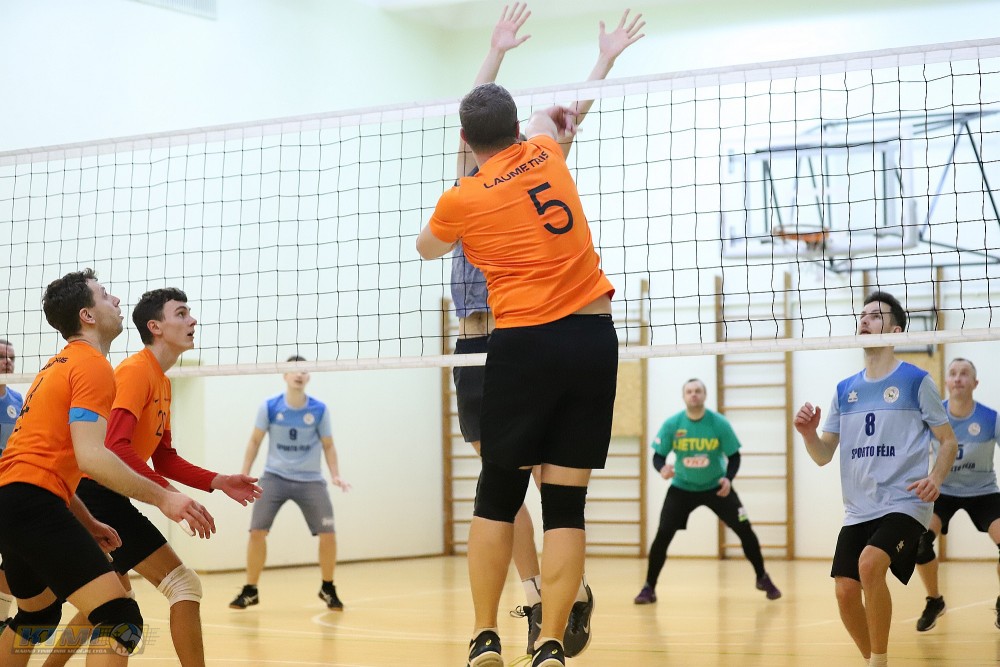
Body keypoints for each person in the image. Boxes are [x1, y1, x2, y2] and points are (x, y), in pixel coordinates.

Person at [449, 4, 644, 657]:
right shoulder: (468, 184)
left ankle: (552, 598)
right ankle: (535, 594)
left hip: (529, 336)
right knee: (501, 479)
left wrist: (603, 61)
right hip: (477, 345)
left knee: (542, 479)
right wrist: (496, 49)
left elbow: (567, 119)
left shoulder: (536, 166)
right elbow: (471, 115)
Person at [418, 82, 620, 667]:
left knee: (497, 496)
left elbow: (427, 248)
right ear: (515, 129)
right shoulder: (545, 152)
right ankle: (551, 643)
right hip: (591, 339)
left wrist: (460, 205)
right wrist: (548, 116)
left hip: (524, 342)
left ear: (465, 137)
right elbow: (544, 121)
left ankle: (485, 635)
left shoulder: (462, 197)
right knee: (565, 507)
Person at [0, 269, 215, 666]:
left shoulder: (54, 366)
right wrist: (165, 498)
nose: (116, 301)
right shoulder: (93, 365)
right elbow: (93, 457)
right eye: (104, 295)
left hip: (14, 500)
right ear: (87, 315)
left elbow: (46, 463)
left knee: (37, 617)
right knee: (120, 618)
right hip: (33, 504)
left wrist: (87, 521)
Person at [43, 288, 262, 667]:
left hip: (106, 493)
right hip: (95, 493)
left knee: (113, 600)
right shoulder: (135, 371)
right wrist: (167, 496)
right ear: (155, 327)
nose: (192, 320)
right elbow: (115, 446)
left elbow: (164, 458)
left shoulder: (161, 380)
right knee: (182, 585)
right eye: (181, 313)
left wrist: (218, 481)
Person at [793, 290, 958, 667]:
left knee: (869, 565)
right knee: (845, 592)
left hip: (906, 502)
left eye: (875, 315)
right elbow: (823, 455)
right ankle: (874, 660)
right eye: (862, 315)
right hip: (858, 508)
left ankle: (878, 663)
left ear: (895, 331)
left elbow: (948, 441)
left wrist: (936, 478)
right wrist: (808, 434)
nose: (865, 320)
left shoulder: (917, 381)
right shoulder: (844, 389)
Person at [633, 378, 781, 605]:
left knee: (745, 530)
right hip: (681, 488)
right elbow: (658, 456)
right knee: (663, 535)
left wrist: (728, 479)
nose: (694, 394)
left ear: (705, 395)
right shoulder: (673, 424)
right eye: (689, 391)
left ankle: (762, 577)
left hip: (716, 488)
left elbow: (734, 457)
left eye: (698, 391)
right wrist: (662, 468)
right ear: (684, 397)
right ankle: (648, 588)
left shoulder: (719, 423)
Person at [229, 356, 352, 612]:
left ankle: (328, 587)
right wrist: (244, 474)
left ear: (309, 377)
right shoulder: (270, 406)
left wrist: (336, 474)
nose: (299, 375)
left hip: (310, 480)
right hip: (275, 477)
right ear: (284, 375)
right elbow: (254, 441)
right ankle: (251, 589)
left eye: (304, 371)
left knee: (328, 534)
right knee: (257, 531)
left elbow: (329, 445)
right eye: (294, 371)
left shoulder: (319, 409)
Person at [913, 357, 1000, 632]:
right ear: (947, 382)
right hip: (943, 490)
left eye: (964, 374)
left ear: (975, 383)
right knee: (920, 543)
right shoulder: (934, 416)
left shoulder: (991, 418)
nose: (958, 378)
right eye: (953, 373)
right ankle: (935, 600)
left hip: (983, 491)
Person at [0, 339, 23, 622]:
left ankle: (1, 617)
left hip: (10, 491)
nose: (7, 362)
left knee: (13, 555)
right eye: (1, 357)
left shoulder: (18, 401)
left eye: (11, 358)